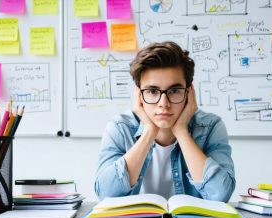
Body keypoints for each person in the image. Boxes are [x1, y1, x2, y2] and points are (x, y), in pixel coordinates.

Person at [94, 41, 235, 202]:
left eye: (174, 91)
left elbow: (220, 194)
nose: (163, 103)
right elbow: (105, 194)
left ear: (189, 93)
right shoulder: (120, 128)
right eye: (152, 91)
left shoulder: (210, 127)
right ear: (139, 95)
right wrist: (149, 131)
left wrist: (181, 131)